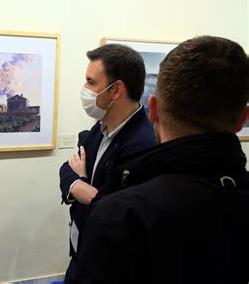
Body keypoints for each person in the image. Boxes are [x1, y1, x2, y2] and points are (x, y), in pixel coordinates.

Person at [75, 36, 249, 283]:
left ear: (153, 110)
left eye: (91, 82)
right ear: (243, 119)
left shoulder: (121, 217)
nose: (85, 88)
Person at [59, 44, 156, 283]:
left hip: (110, 267)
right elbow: (66, 168)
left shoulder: (143, 146)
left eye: (91, 82)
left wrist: (81, 183)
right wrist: (79, 187)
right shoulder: (99, 129)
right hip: (81, 255)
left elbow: (111, 216)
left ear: (116, 90)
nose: (84, 89)